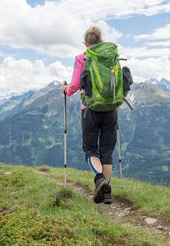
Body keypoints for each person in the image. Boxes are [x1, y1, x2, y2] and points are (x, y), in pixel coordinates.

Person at [61, 26, 117, 204]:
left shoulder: (81, 58)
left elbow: (75, 85)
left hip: (90, 109)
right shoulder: (111, 56)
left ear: (86, 43)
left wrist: (66, 90)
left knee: (91, 150)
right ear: (101, 41)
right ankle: (106, 193)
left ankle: (99, 180)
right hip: (110, 108)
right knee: (106, 151)